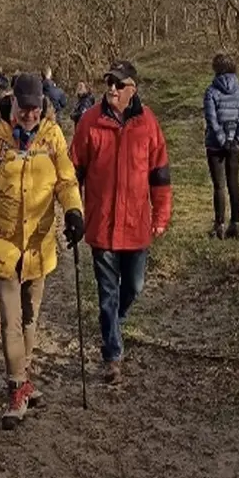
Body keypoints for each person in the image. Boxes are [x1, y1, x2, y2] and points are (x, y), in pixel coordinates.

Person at [0, 73, 84, 429]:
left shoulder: (52, 136)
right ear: (12, 102)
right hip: (3, 242)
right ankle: (16, 386)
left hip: (39, 245)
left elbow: (66, 181)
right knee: (10, 318)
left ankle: (25, 375)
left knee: (30, 317)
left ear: (43, 105)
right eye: (24, 107)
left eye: (36, 108)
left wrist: (74, 211)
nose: (30, 114)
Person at [69, 60, 172, 385]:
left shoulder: (148, 124)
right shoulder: (89, 122)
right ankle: (113, 356)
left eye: (118, 83)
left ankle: (114, 323)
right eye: (108, 82)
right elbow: (73, 171)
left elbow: (160, 174)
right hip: (101, 225)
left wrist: (161, 214)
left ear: (132, 89)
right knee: (107, 294)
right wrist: (72, 211)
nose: (111, 88)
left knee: (135, 286)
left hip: (136, 225)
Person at [204, 53, 239, 240]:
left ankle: (219, 225)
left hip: (215, 144)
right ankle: (236, 224)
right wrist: (237, 139)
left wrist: (223, 139)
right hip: (235, 146)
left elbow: (211, 119)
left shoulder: (211, 91)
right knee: (234, 182)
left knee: (219, 185)